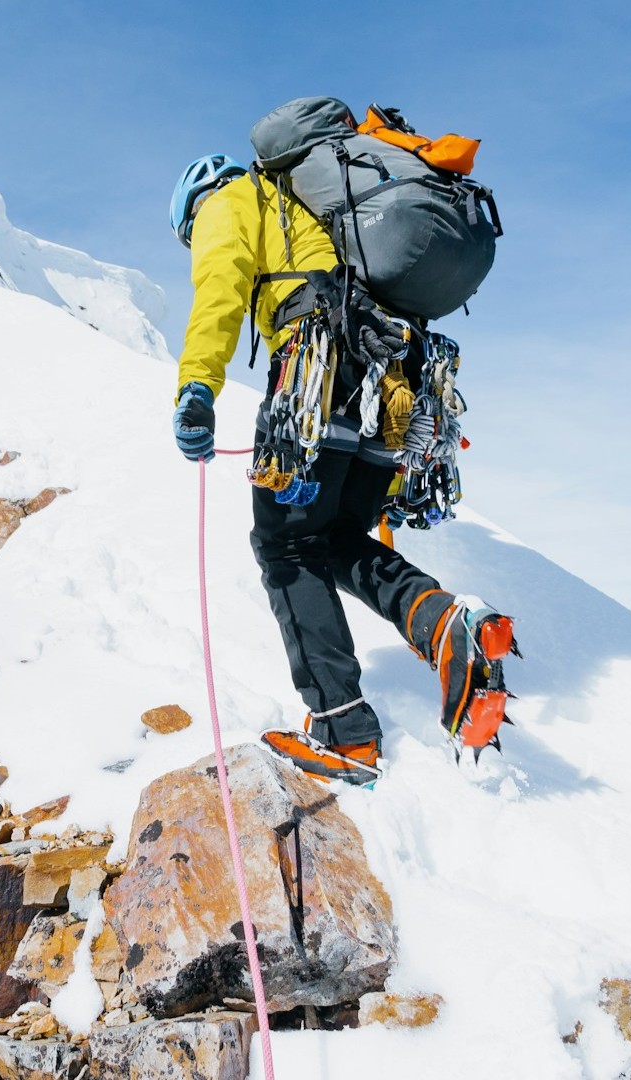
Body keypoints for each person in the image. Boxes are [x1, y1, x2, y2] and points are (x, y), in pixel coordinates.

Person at [168, 152, 515, 782]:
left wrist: (197, 386)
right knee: (332, 538)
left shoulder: (230, 200)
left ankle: (344, 730)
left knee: (287, 548)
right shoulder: (311, 206)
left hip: (317, 369)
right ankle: (444, 623)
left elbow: (220, 287)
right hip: (394, 381)